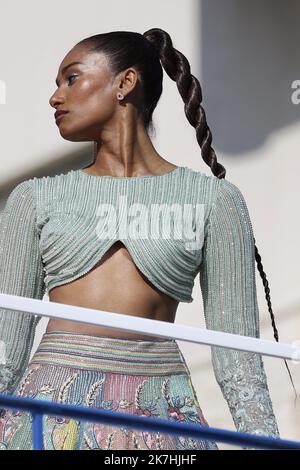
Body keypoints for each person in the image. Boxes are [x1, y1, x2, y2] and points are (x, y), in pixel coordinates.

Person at [0, 28, 292, 450]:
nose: (55, 97)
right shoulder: (34, 198)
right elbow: (6, 350)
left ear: (125, 83)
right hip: (51, 410)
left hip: (163, 414)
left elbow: (238, 357)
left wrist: (266, 444)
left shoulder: (214, 200)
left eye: (71, 78)